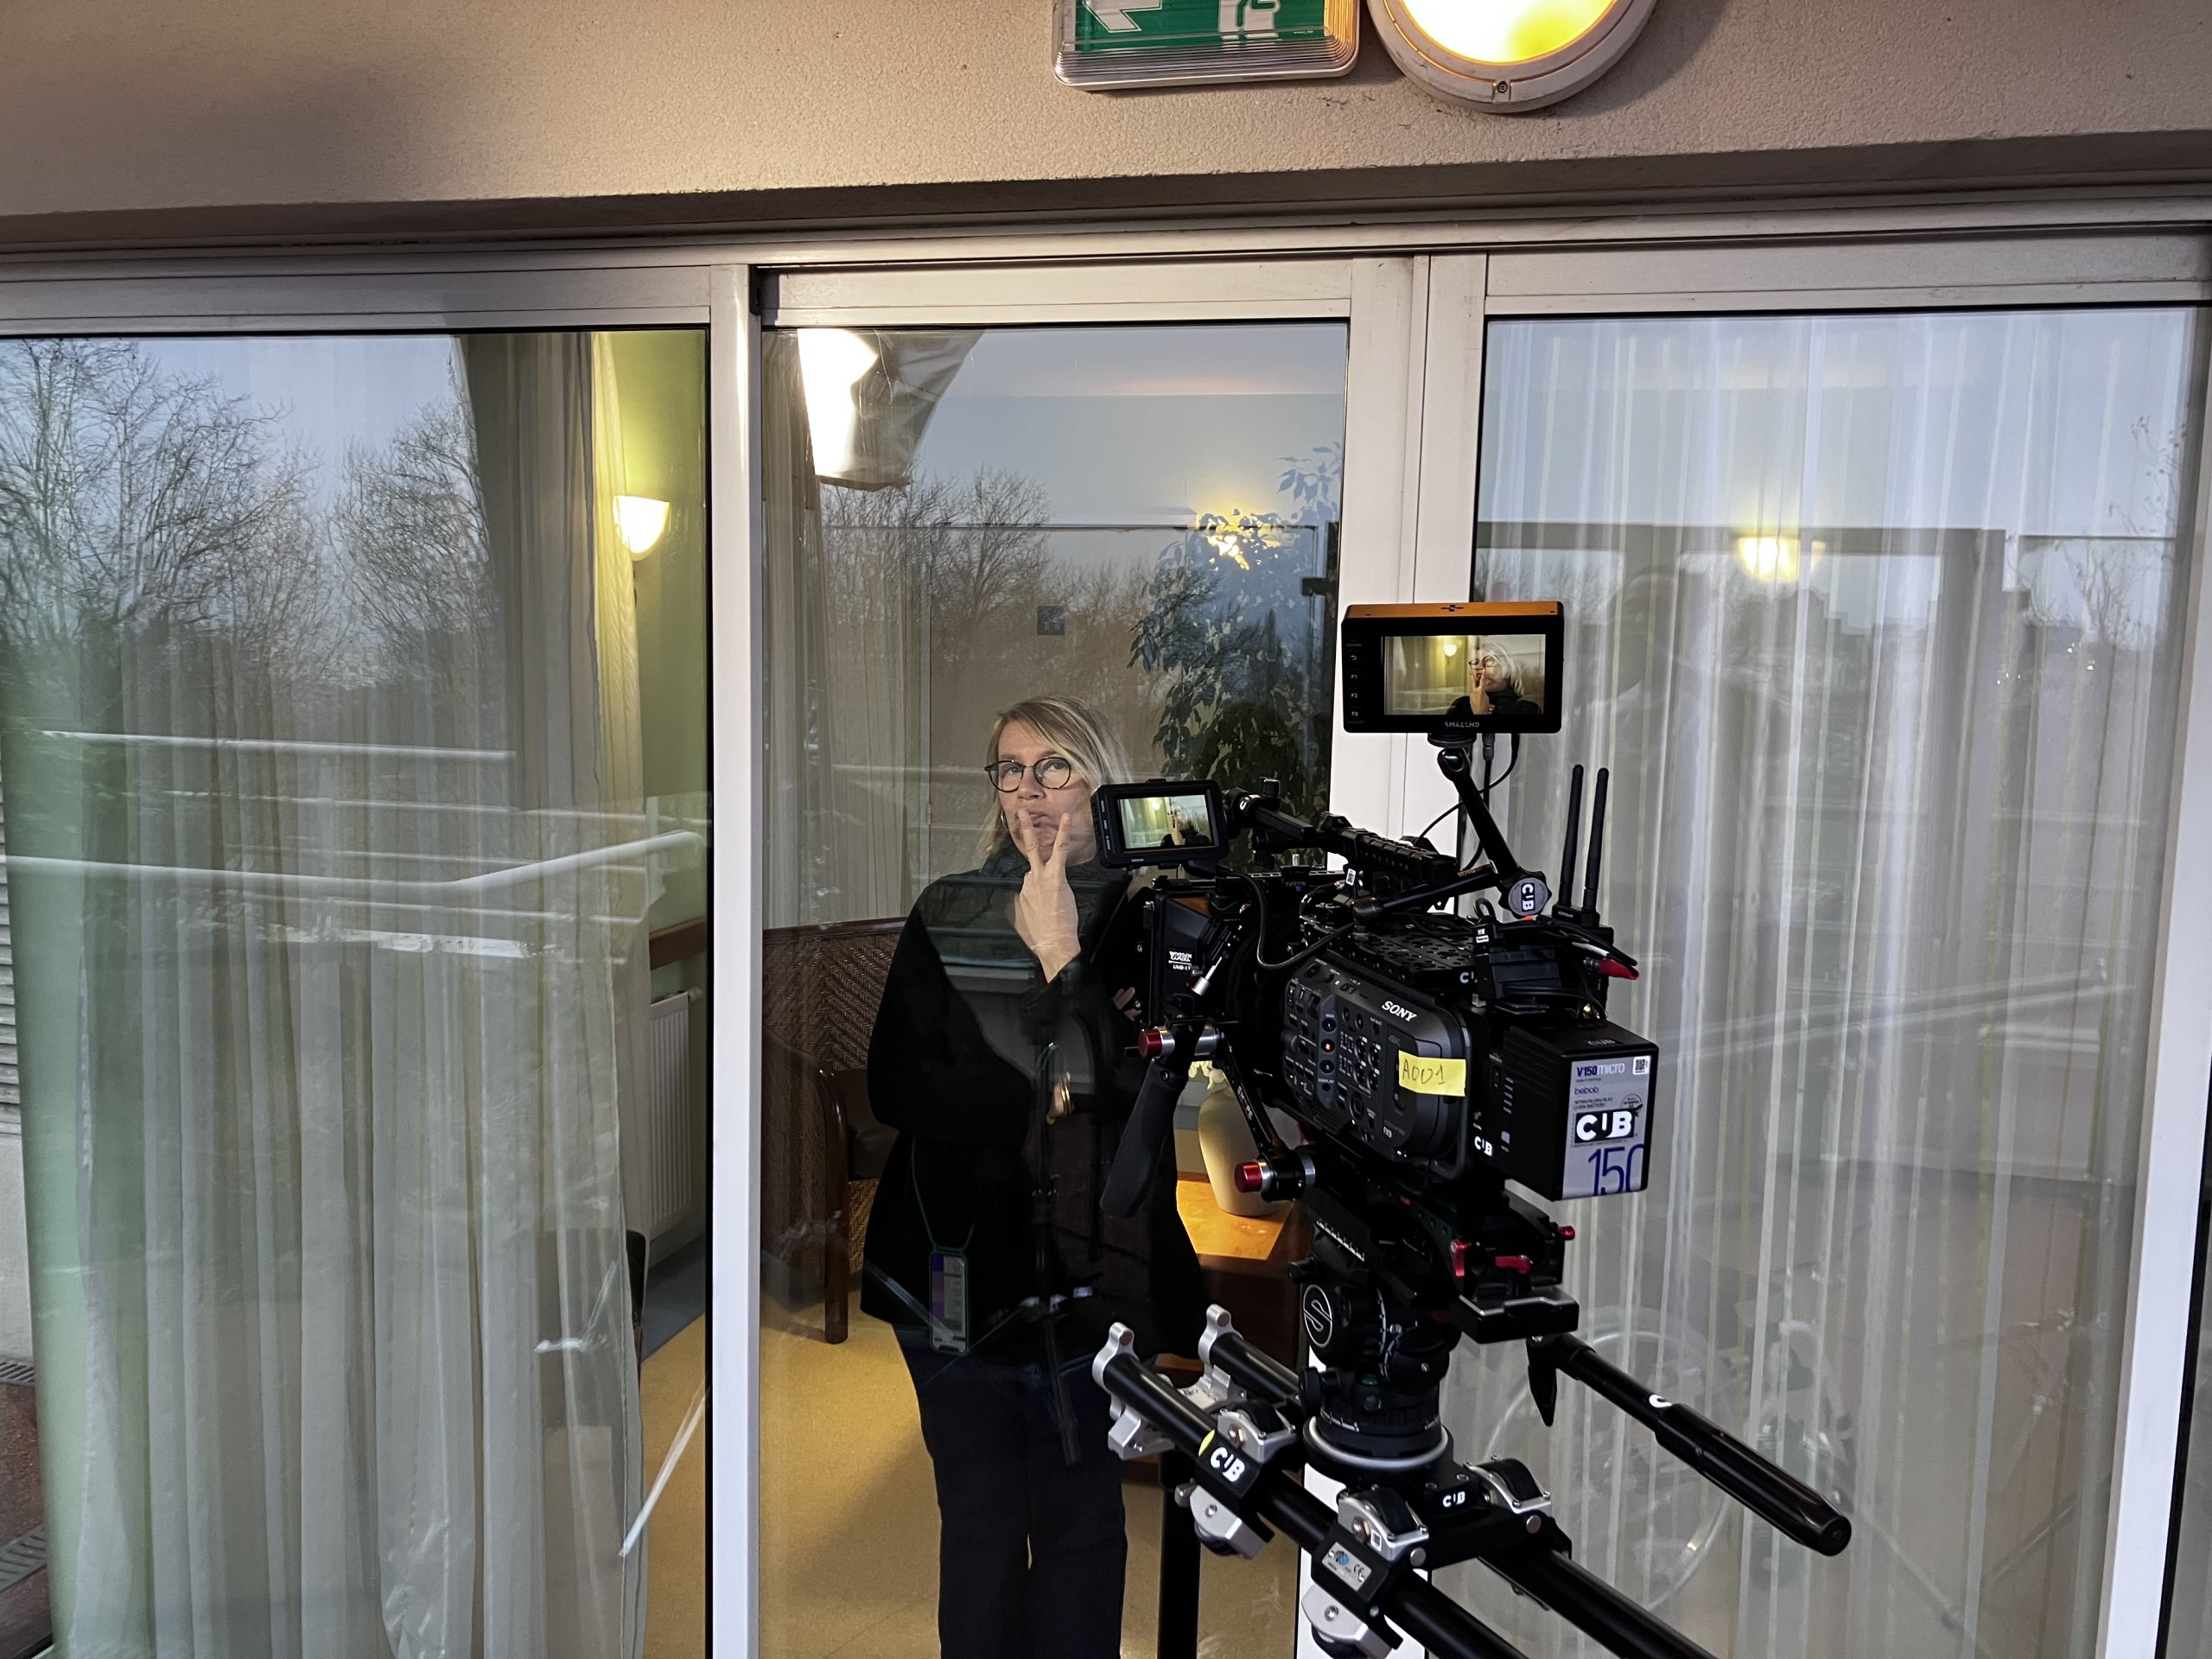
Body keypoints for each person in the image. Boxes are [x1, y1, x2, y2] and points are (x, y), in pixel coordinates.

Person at [861, 695, 1206, 1659]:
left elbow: (1131, 1097)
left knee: (1081, 1522)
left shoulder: (1154, 926)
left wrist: (1060, 953)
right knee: (976, 1520)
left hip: (1095, 1281)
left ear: (1102, 783)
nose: (1029, 791)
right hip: (950, 1270)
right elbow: (897, 1085)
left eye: (1055, 767)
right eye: (1010, 771)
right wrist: (1043, 1089)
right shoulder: (951, 908)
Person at [1468, 639, 1541, 724]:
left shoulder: (1528, 709)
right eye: (1476, 662)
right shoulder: (1462, 705)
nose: (1479, 667)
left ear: (1508, 668)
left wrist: (1482, 713)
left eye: (1489, 660)